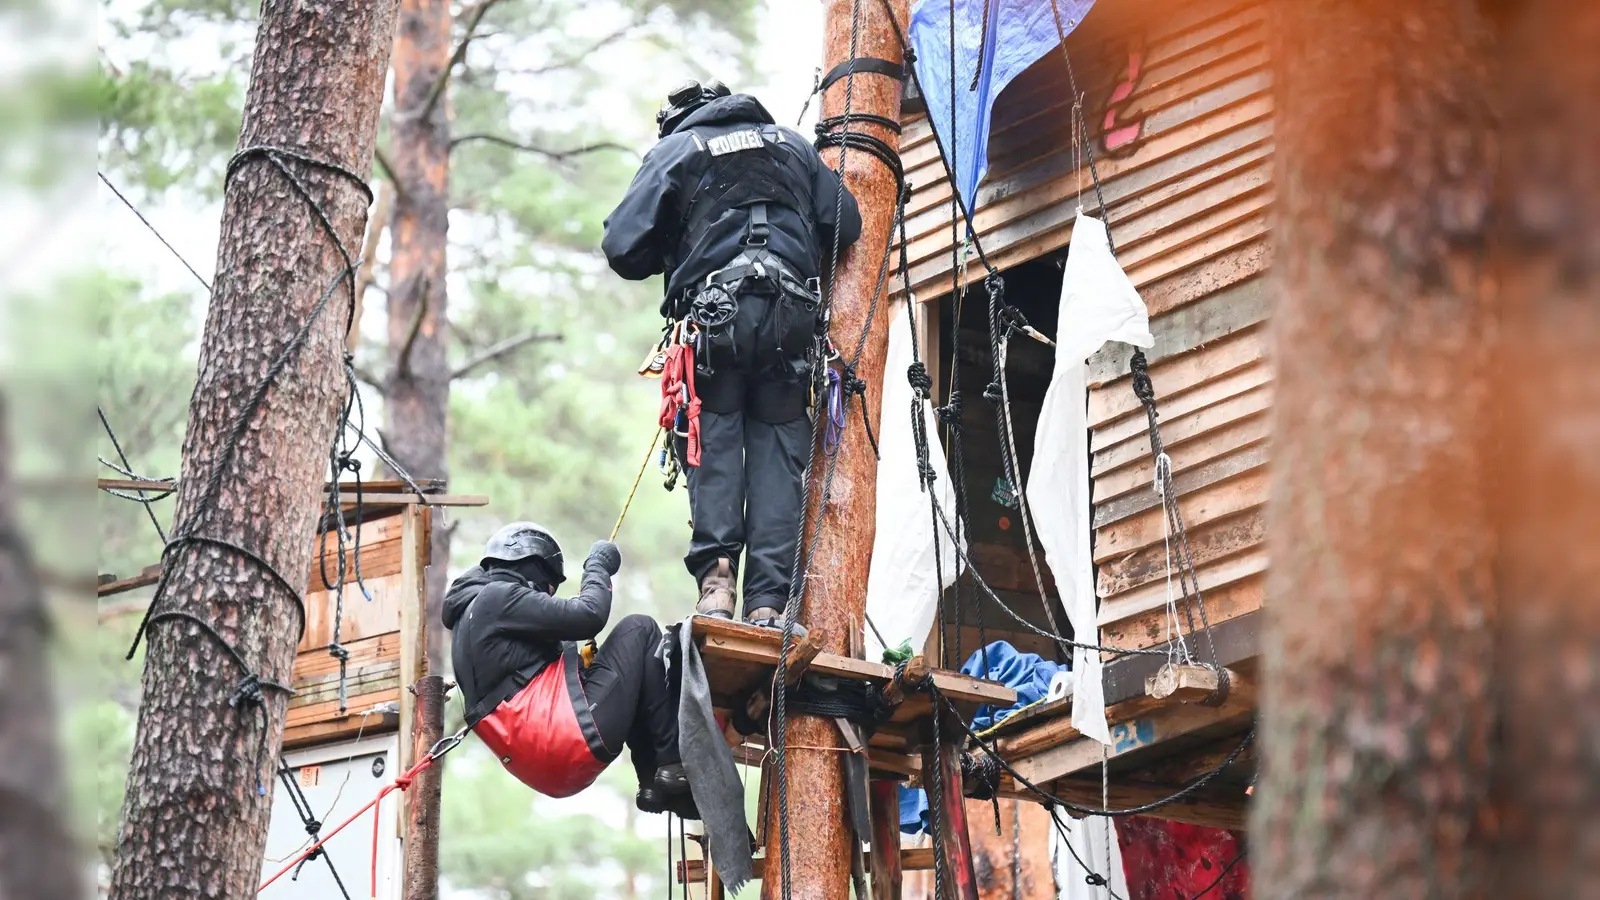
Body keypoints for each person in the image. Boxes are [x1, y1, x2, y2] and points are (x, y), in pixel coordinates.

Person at [602, 80, 862, 627]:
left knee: (712, 443)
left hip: (715, 323)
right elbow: (849, 223)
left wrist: (677, 240)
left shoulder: (677, 150)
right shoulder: (792, 145)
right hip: (790, 325)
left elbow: (622, 249)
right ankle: (769, 604)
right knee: (776, 457)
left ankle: (717, 588)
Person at [442, 521, 694, 816]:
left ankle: (652, 785)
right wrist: (597, 567)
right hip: (562, 739)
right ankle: (669, 763)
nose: (547, 597)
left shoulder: (471, 618)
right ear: (532, 565)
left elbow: (528, 678)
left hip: (538, 763)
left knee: (632, 669)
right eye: (549, 588)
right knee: (640, 630)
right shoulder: (498, 597)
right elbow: (588, 614)